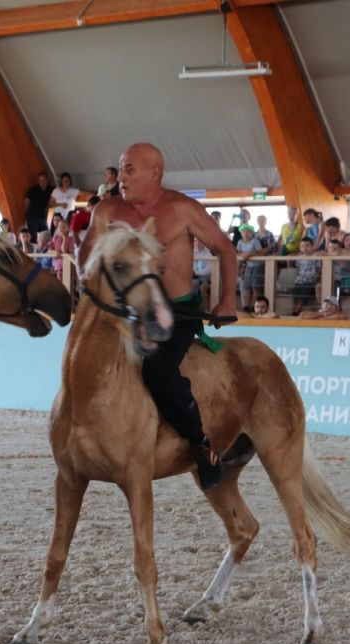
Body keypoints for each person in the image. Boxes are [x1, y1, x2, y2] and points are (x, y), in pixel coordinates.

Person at [79, 141, 238, 490]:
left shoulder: (182, 209)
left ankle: (201, 443)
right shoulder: (106, 210)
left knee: (157, 370)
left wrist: (226, 300)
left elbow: (225, 249)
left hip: (176, 313)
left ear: (155, 172)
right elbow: (86, 256)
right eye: (120, 169)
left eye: (129, 169)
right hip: (124, 315)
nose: (121, 176)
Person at [23, 171, 53, 237]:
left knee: (45, 236)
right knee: (34, 236)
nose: (42, 182)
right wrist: (28, 214)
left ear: (47, 180)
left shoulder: (51, 190)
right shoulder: (33, 190)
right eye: (40, 180)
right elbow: (26, 202)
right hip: (32, 217)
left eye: (44, 180)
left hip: (44, 217)